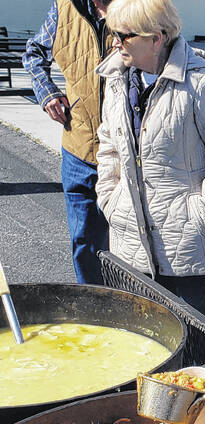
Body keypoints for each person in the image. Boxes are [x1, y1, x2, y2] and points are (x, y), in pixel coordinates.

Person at [95, 0, 205, 321]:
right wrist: (110, 200)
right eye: (113, 34)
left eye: (123, 36)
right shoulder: (116, 79)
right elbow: (108, 146)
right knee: (142, 334)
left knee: (194, 338)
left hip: (186, 238)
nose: (114, 43)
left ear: (156, 38)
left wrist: (204, 214)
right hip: (131, 234)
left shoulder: (202, 83)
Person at [23, 0, 111, 285]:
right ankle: (95, 312)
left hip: (129, 153)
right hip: (79, 146)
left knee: (140, 245)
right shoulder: (62, 8)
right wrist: (47, 92)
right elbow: (34, 53)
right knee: (85, 241)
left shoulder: (141, 7)